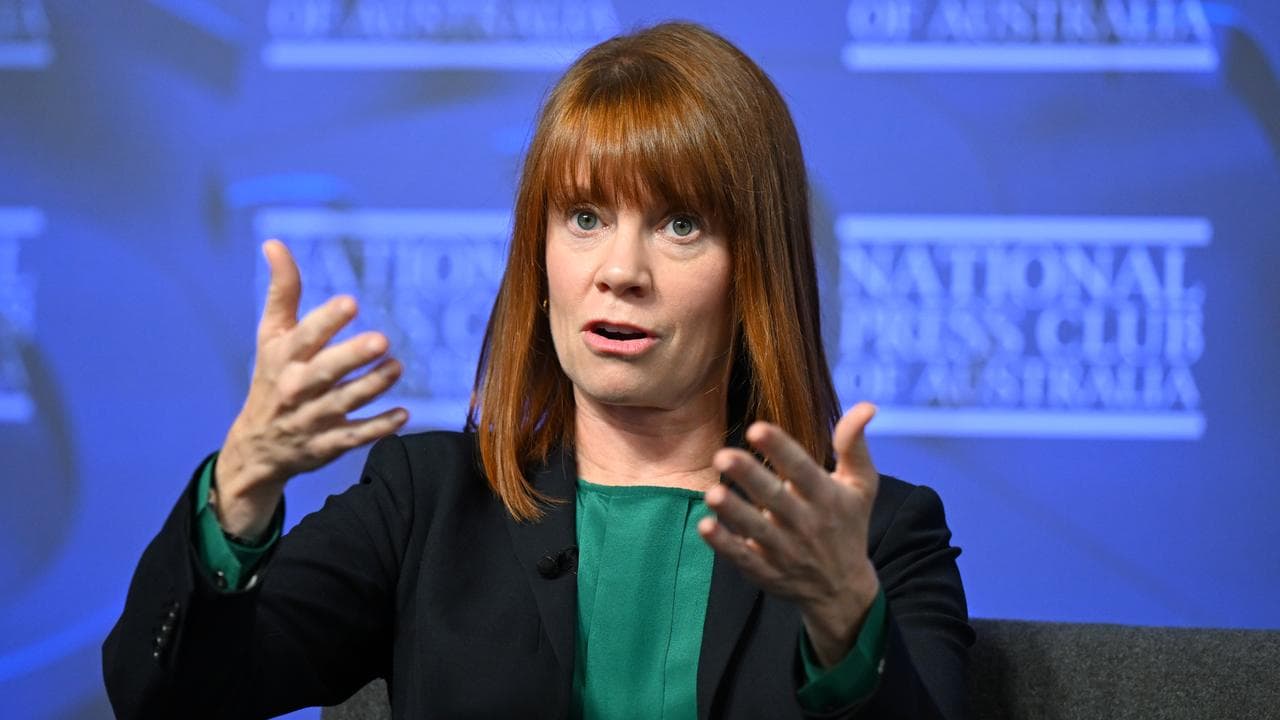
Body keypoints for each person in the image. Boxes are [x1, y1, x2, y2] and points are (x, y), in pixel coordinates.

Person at [103, 21, 971, 720]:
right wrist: (242, 488)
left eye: (680, 225)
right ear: (539, 257)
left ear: (757, 271)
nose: (619, 270)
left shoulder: (879, 537)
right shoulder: (428, 503)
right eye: (585, 217)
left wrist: (846, 621)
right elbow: (168, 699)